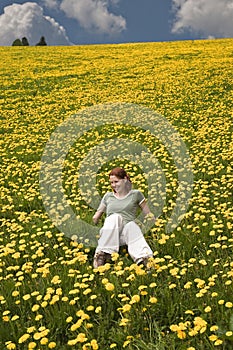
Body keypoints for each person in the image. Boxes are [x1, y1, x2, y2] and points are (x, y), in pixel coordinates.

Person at [92, 167, 155, 269]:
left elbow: (148, 214)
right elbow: (96, 217)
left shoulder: (136, 194)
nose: (113, 185)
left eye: (116, 182)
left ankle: (144, 259)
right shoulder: (108, 196)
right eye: (111, 182)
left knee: (131, 225)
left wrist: (156, 226)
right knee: (115, 218)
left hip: (128, 235)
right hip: (110, 233)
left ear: (125, 179)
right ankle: (103, 255)